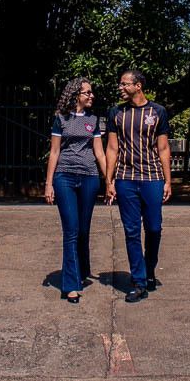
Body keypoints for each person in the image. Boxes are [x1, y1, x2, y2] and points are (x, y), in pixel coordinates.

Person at [105, 69, 172, 303]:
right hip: (125, 178)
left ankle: (149, 267)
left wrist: (168, 180)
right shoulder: (116, 113)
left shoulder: (158, 112)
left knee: (154, 228)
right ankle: (139, 281)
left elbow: (163, 148)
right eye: (120, 84)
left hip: (152, 178)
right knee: (132, 231)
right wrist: (109, 180)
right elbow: (112, 148)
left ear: (138, 86)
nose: (120, 88)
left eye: (125, 84)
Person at [45, 77, 106, 304]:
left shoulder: (94, 120)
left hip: (89, 178)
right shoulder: (61, 119)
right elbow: (54, 152)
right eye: (87, 92)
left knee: (82, 230)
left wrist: (109, 181)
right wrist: (49, 183)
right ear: (75, 95)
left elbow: (99, 153)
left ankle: (81, 269)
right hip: (65, 178)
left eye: (92, 92)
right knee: (70, 230)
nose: (92, 96)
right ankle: (70, 285)